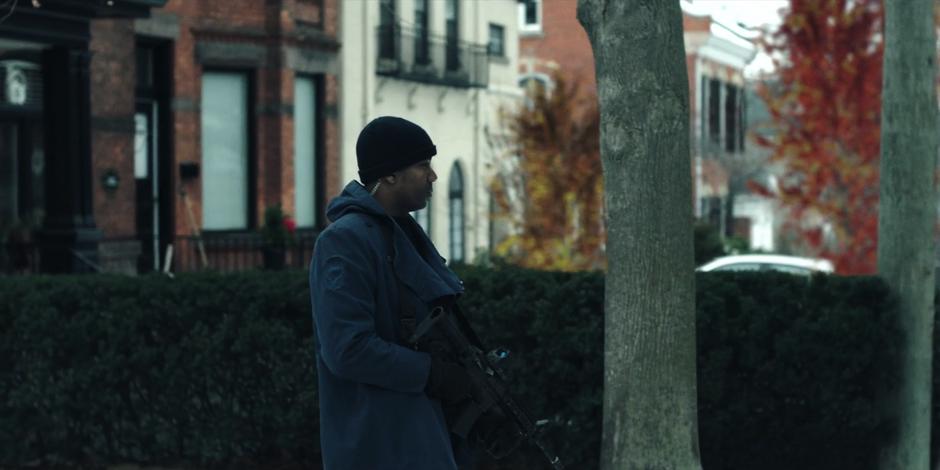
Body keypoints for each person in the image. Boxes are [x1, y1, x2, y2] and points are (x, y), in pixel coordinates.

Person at [310, 116, 479, 469]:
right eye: (422, 165)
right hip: (378, 441)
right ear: (389, 174)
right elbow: (347, 349)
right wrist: (432, 373)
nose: (432, 176)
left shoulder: (399, 232)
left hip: (418, 434)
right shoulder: (344, 242)